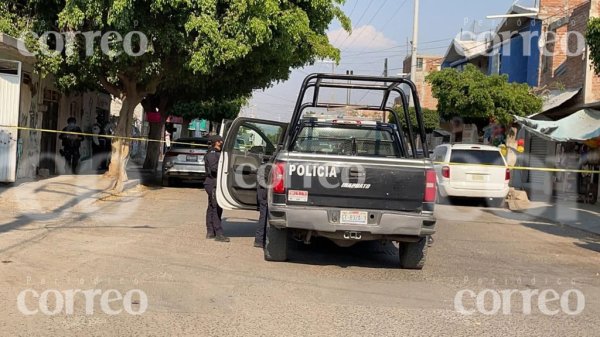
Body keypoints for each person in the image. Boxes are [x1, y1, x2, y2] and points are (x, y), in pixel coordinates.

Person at [204, 135, 230, 243]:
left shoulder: (213, 153)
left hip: (212, 183)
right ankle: (218, 233)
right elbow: (214, 169)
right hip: (213, 182)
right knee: (216, 208)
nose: (222, 142)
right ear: (217, 142)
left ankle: (210, 231)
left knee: (211, 207)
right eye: (221, 141)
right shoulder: (212, 154)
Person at [254, 160, 270, 248]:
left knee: (264, 216)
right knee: (264, 217)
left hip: (262, 192)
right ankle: (260, 240)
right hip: (265, 193)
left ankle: (260, 240)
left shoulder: (262, 166)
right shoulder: (268, 167)